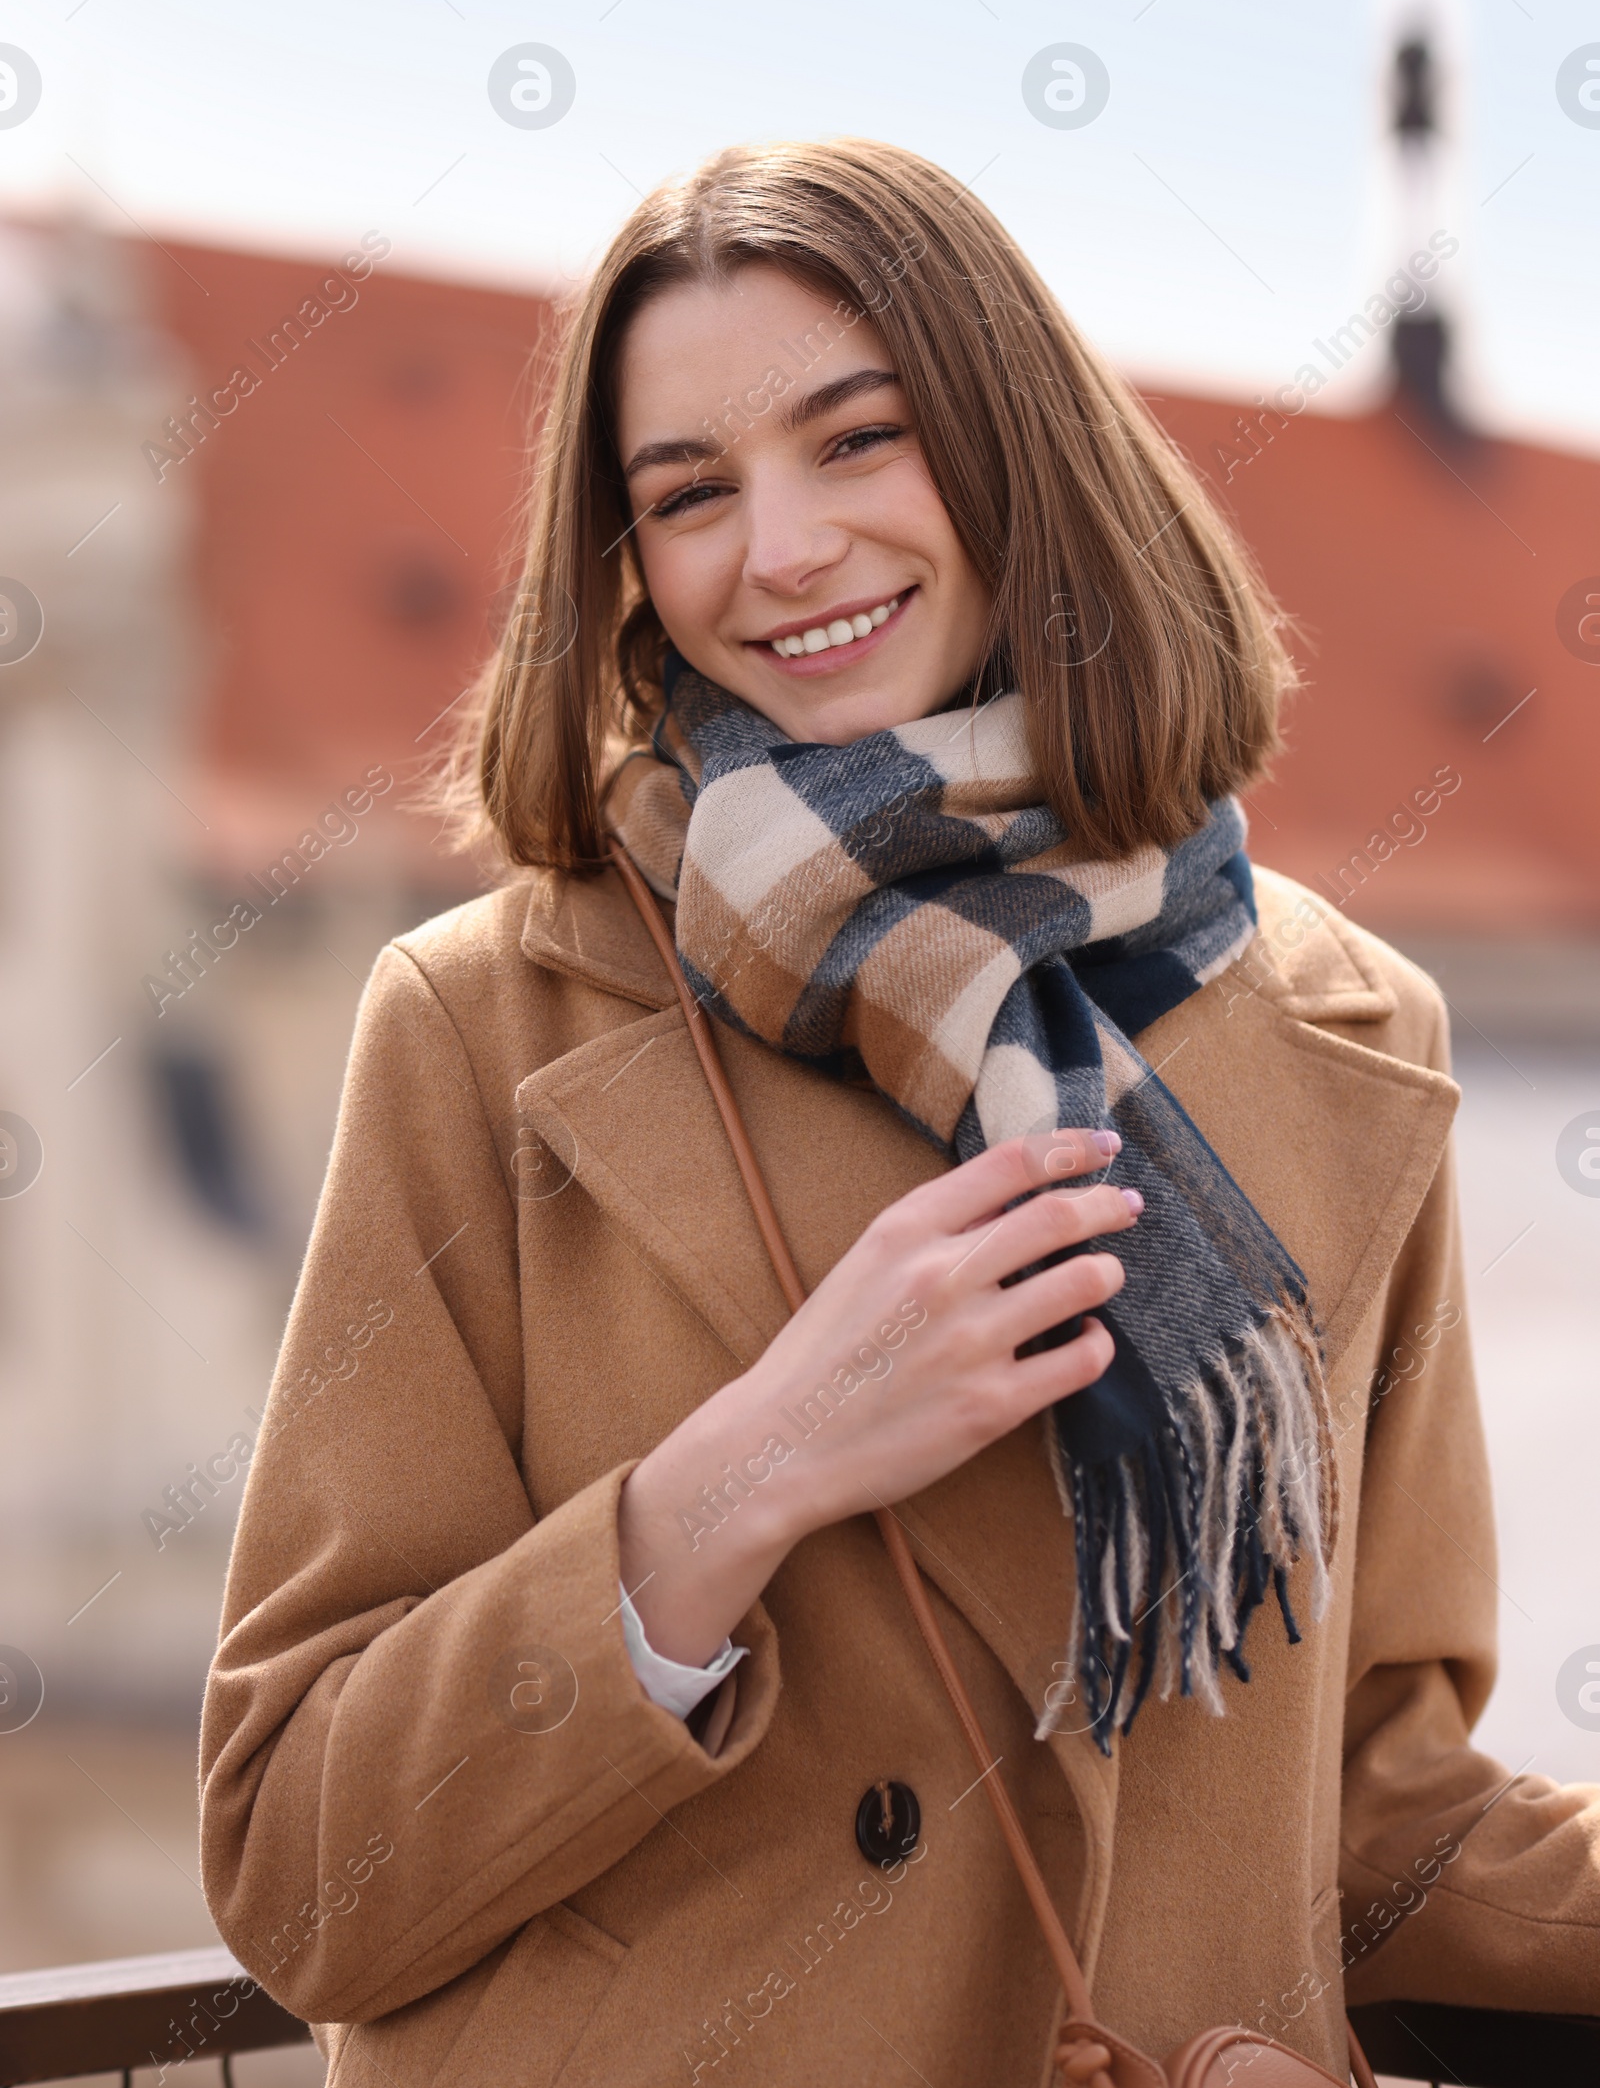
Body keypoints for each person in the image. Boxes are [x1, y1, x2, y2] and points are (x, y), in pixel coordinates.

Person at [199, 140, 1600, 2086]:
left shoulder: (1347, 1025)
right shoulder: (482, 1026)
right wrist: (747, 1471)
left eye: (853, 443)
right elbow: (301, 1870)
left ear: (1014, 454)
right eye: (686, 494)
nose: (776, 550)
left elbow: (1365, 1814)